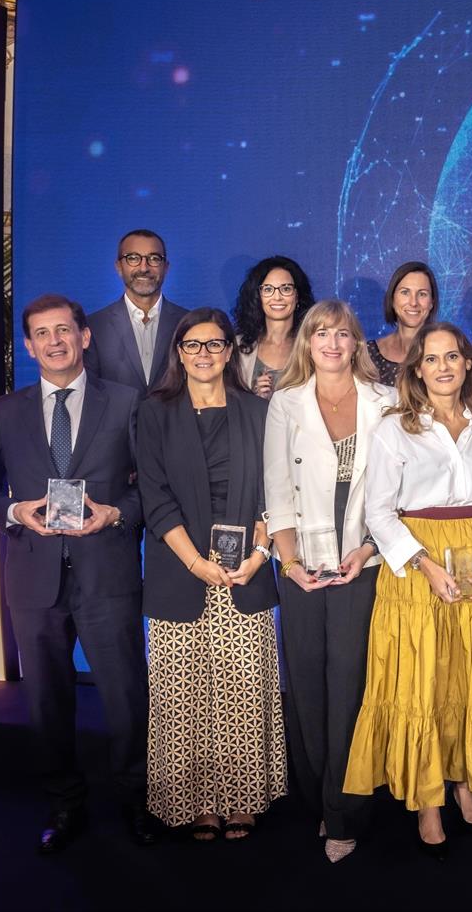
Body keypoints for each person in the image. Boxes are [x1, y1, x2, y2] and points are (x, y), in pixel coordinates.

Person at [0, 294, 154, 852]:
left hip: (107, 574)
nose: (55, 341)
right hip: (33, 577)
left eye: (64, 330)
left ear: (84, 337)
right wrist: (13, 511)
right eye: (42, 333)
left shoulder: (125, 402)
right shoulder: (6, 412)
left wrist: (116, 513)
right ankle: (65, 804)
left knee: (125, 696)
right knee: (48, 700)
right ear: (29, 346)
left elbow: (152, 487)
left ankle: (137, 800)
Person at [343, 322, 472, 858]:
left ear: (468, 363)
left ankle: (465, 784)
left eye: (452, 357)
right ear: (417, 369)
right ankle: (428, 801)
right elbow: (379, 513)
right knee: (425, 680)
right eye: (431, 359)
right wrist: (425, 565)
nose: (443, 367)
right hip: (417, 565)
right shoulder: (394, 428)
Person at [135, 307, 285, 842]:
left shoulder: (258, 411)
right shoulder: (154, 412)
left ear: (229, 351)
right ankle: (196, 803)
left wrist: (259, 554)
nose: (204, 354)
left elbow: (273, 493)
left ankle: (241, 798)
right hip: (180, 572)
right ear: (178, 353)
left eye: (215, 344)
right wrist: (197, 563)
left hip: (246, 574)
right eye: (193, 345)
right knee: (183, 696)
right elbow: (154, 498)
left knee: (242, 690)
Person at [263, 300, 395, 862]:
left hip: (363, 563)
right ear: (307, 344)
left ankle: (345, 810)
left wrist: (367, 550)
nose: (332, 344)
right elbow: (276, 489)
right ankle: (319, 799)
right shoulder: (286, 402)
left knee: (350, 685)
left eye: (342, 334)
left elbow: (396, 491)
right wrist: (290, 564)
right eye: (321, 334)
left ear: (356, 342)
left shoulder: (385, 401)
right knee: (308, 686)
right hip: (301, 567)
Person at [85, 229, 189, 392]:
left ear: (166, 267)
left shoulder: (188, 323)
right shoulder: (94, 326)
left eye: (154, 258)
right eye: (133, 258)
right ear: (119, 267)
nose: (144, 267)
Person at [233, 255, 316, 398]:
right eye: (268, 289)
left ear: (297, 296)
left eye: (286, 289)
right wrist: (254, 399)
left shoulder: (313, 345)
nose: (277, 297)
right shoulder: (238, 346)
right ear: (258, 296)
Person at [366, 261, 438, 387]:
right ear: (392, 299)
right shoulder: (368, 354)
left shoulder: (447, 352)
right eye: (405, 292)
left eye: (422, 294)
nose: (413, 303)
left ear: (432, 302)